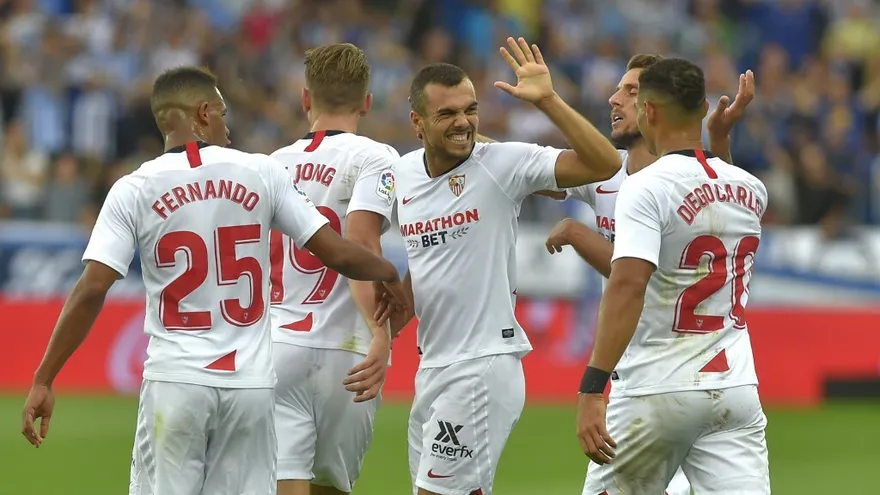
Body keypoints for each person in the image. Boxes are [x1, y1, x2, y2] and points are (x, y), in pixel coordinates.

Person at [20, 66, 409, 495]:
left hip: (176, 381)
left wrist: (44, 377)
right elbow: (335, 251)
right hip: (249, 387)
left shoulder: (133, 187)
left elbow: (92, 287)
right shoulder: (260, 171)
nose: (228, 125)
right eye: (222, 113)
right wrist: (388, 272)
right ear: (203, 114)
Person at [377, 37, 622, 495]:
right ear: (417, 122)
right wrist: (378, 337)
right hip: (433, 369)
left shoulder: (503, 164)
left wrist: (548, 100)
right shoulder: (403, 176)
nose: (463, 122)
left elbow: (605, 163)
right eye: (447, 114)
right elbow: (427, 267)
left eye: (470, 110)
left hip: (483, 366)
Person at [541, 53, 755, 495]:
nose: (618, 100)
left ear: (649, 111)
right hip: (734, 386)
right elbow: (715, 203)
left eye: (633, 94)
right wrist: (719, 140)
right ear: (701, 110)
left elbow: (629, 284)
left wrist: (590, 389)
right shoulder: (751, 187)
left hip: (656, 384)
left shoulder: (643, 187)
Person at [268, 43, 403, 495]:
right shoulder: (374, 157)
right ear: (367, 102)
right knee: (331, 488)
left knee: (284, 483)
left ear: (306, 98)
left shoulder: (270, 166)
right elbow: (361, 243)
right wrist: (381, 333)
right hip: (345, 349)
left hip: (276, 345)